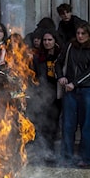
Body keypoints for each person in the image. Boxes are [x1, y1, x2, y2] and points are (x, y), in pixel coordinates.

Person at [55, 22, 90, 167]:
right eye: (78, 33)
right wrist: (60, 77)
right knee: (68, 125)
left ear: (89, 34)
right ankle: (66, 157)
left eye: (83, 33)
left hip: (86, 90)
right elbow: (58, 62)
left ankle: (84, 158)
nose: (80, 36)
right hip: (70, 91)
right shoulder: (70, 46)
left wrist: (74, 83)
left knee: (86, 126)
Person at [29, 29, 63, 160]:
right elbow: (34, 75)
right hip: (43, 93)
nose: (47, 42)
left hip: (58, 93)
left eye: (50, 40)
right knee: (43, 123)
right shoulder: (38, 58)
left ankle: (53, 150)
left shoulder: (60, 56)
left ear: (55, 41)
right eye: (45, 40)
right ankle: (43, 151)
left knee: (54, 123)